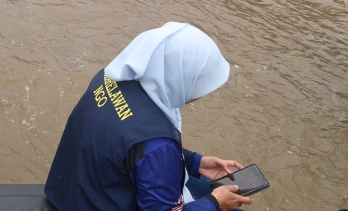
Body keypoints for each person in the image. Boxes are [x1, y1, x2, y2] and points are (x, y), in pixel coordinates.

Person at [44, 22, 252, 211]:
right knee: (225, 200)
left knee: (207, 185)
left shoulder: (109, 78)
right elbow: (151, 151)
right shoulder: (158, 146)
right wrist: (214, 204)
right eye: (200, 86)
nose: (200, 95)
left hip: (70, 193)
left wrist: (194, 162)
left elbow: (125, 145)